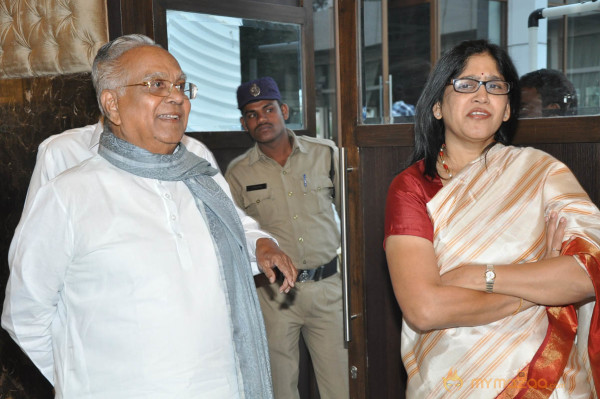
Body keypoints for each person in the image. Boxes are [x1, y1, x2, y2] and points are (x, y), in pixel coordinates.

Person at [2, 34, 298, 398]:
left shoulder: (198, 168)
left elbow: (234, 227)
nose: (175, 95)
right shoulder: (68, 193)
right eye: (156, 84)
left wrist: (262, 243)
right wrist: (81, 380)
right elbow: (26, 313)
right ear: (111, 104)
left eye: (180, 85)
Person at [384, 39, 599, 398]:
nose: (482, 95)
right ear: (437, 105)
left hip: (546, 378)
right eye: (466, 84)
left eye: (495, 86)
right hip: (452, 380)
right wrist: (538, 286)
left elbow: (589, 273)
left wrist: (482, 276)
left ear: (507, 110)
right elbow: (424, 308)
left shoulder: (543, 175)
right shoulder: (413, 188)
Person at [225, 77, 348, 399]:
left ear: (283, 110)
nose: (261, 119)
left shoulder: (326, 155)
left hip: (329, 290)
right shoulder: (238, 173)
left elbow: (354, 216)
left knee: (341, 385)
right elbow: (236, 238)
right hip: (274, 295)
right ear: (243, 123)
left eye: (268, 109)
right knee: (279, 388)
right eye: (251, 114)